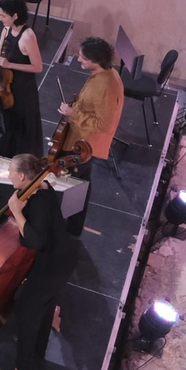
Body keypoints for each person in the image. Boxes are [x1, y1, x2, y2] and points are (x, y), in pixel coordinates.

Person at [2, 153, 80, 370]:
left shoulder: (38, 203)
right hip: (63, 259)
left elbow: (35, 240)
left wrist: (16, 211)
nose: (8, 176)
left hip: (51, 267)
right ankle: (38, 349)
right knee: (44, 308)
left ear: (23, 175)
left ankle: (24, 368)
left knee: (26, 310)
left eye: (11, 172)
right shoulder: (43, 187)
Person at [56, 36, 124, 236]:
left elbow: (104, 124)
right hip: (80, 137)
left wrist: (73, 113)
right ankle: (73, 227)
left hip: (84, 145)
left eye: (82, 58)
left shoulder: (107, 87)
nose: (79, 60)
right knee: (81, 183)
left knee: (73, 183)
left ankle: (67, 227)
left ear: (95, 61)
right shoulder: (102, 74)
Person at [0, 0, 45, 156]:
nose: (0, 19)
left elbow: (38, 67)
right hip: (2, 85)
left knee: (15, 130)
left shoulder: (28, 36)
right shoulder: (6, 30)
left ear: (15, 16)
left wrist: (10, 65)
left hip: (20, 91)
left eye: (4, 16)